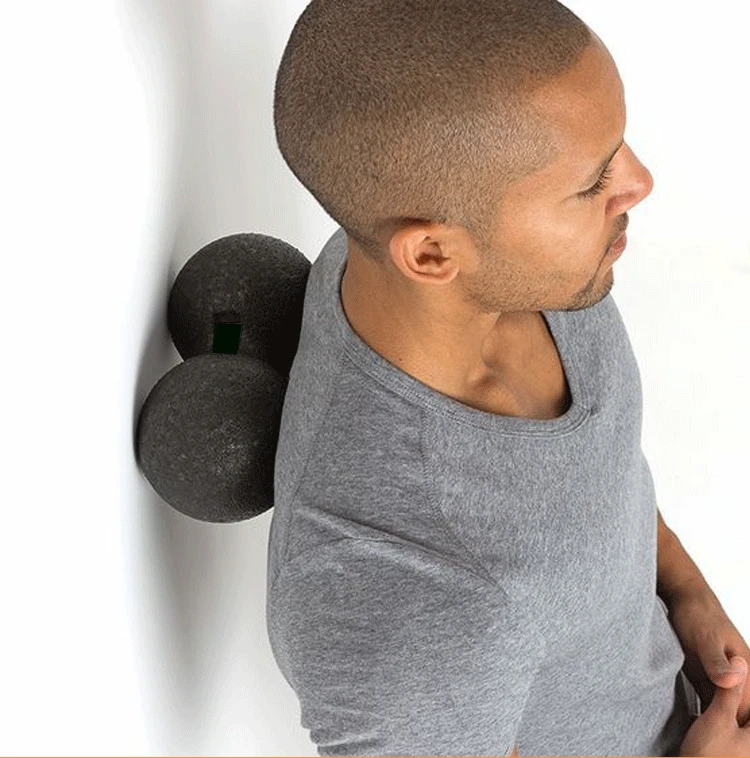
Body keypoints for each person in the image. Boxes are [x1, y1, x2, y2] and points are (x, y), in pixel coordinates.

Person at [266, 1, 749, 755]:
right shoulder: (404, 592)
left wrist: (685, 590)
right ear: (430, 254)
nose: (639, 182)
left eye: (617, 147)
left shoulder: (500, 269)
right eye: (592, 182)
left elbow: (586, 477)